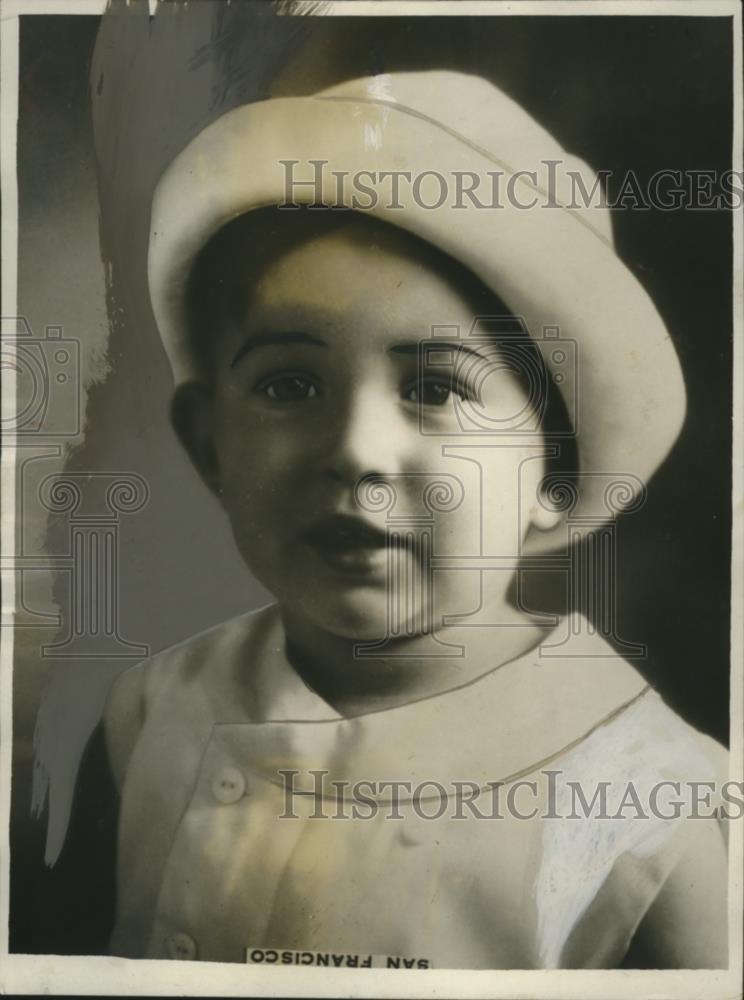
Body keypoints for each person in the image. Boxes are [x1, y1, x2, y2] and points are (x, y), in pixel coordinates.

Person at [60, 68, 730, 968]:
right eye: (289, 384)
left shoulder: (669, 816)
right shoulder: (154, 710)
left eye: (435, 387)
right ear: (209, 444)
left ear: (554, 469)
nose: (356, 450)